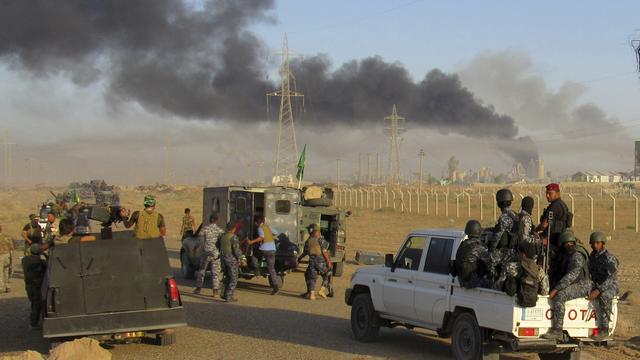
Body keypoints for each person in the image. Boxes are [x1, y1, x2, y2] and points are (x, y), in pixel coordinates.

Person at [542, 231, 592, 340]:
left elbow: (573, 274)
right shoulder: (568, 255)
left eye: (569, 244)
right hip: (576, 283)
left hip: (583, 284)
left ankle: (557, 330)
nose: (568, 246)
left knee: (561, 295)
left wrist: (556, 288)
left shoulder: (577, 255)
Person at [588, 231, 619, 340]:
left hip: (610, 286)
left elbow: (610, 279)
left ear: (602, 243)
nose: (595, 245)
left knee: (605, 296)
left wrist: (598, 290)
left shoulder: (609, 258)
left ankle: (604, 329)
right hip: (596, 284)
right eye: (593, 243)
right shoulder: (592, 256)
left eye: (597, 243)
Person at [489, 188, 520, 291]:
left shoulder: (504, 217)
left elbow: (498, 236)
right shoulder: (515, 214)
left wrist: (491, 249)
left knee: (489, 260)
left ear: (499, 203)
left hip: (506, 251)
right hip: (515, 249)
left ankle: (493, 286)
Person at [245, 215, 281, 295]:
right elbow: (276, 232)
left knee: (254, 256)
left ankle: (257, 269)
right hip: (272, 249)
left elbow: (261, 237)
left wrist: (251, 242)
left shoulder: (259, 228)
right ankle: (275, 286)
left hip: (264, 249)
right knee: (271, 269)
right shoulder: (267, 226)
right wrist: (270, 236)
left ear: (255, 223)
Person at [453, 220, 492, 289]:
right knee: (495, 284)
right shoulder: (478, 247)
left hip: (461, 280)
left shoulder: (463, 244)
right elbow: (491, 263)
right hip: (471, 282)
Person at [193, 214, 224, 297]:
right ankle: (215, 292)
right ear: (217, 220)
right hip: (215, 254)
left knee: (202, 271)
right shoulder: (220, 231)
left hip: (205, 253)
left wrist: (195, 249)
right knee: (215, 273)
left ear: (210, 220)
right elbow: (222, 242)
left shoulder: (204, 229)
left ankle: (198, 289)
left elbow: (200, 241)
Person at [301, 224, 333, 300]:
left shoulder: (308, 240)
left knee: (312, 278)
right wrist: (329, 262)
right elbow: (325, 252)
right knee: (328, 274)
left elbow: (305, 252)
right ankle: (322, 290)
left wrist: (299, 258)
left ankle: (311, 295)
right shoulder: (321, 240)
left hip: (312, 262)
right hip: (321, 262)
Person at [22, 243, 47, 328]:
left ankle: (34, 321)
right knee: (37, 304)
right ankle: (34, 322)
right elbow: (48, 265)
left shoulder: (25, 260)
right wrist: (44, 254)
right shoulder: (41, 262)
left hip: (29, 285)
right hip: (37, 285)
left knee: (34, 303)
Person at [219, 222, 244, 302]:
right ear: (234, 228)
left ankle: (223, 294)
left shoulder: (222, 236)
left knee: (227, 277)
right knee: (233, 278)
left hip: (223, 259)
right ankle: (229, 296)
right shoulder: (233, 237)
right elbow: (236, 250)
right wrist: (242, 259)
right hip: (231, 260)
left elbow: (217, 246)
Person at [0, 224, 14, 293]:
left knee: (0, 272)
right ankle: (8, 287)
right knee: (7, 271)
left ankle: (1, 287)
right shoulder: (7, 236)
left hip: (1, 256)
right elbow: (12, 247)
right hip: (7, 255)